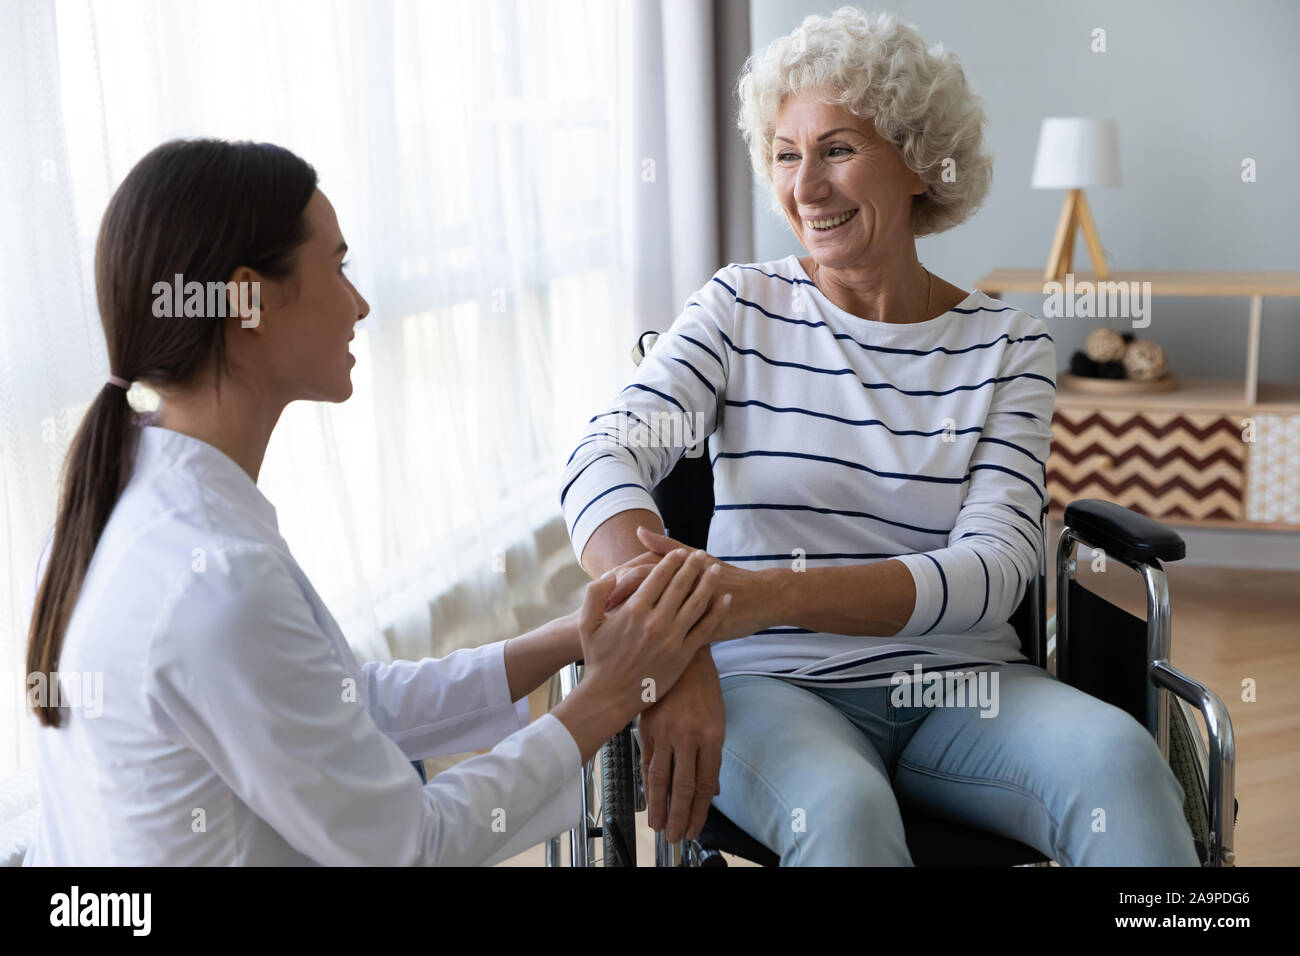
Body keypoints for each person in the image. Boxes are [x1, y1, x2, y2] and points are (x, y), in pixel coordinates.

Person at [560, 7, 1200, 865]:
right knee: (845, 812)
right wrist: (672, 649)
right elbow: (600, 456)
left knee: (1122, 765)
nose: (805, 188)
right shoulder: (740, 308)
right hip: (772, 686)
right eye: (786, 155)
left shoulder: (1008, 347)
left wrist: (766, 596)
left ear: (919, 160)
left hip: (968, 686)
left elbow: (996, 569)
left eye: (837, 149)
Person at [22, 137, 732, 866]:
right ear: (248, 300)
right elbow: (411, 847)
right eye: (337, 266)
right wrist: (606, 697)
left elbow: (347, 702)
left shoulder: (129, 500)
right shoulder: (215, 583)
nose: (360, 303)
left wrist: (574, 642)